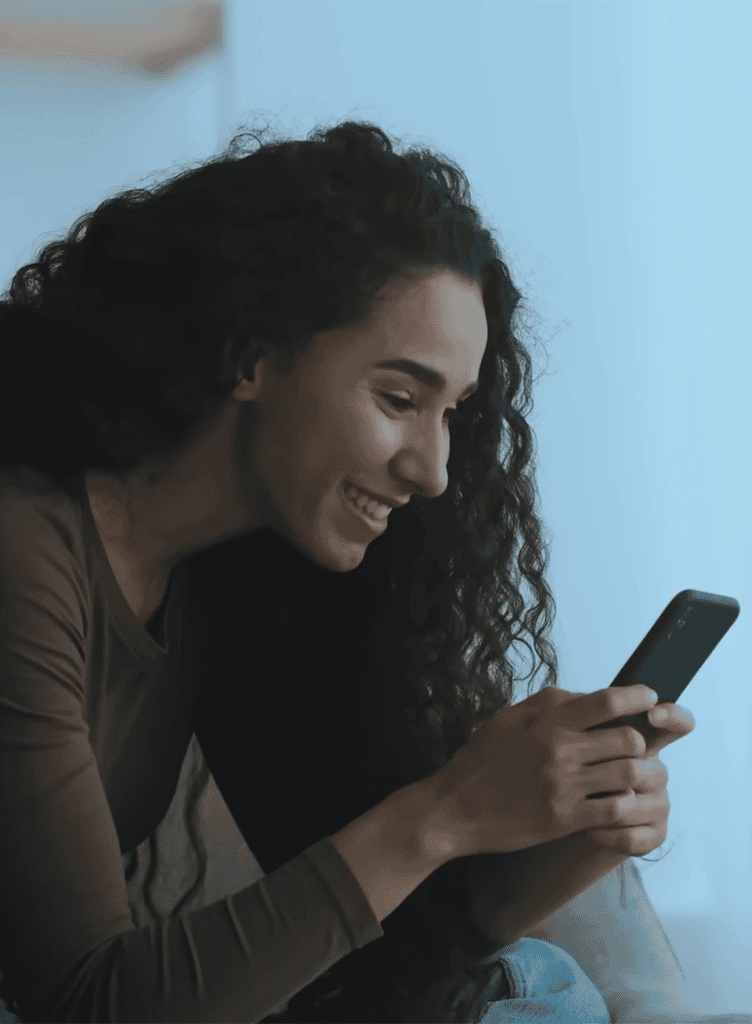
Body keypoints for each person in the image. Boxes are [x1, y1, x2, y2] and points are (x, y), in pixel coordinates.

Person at [0, 117, 700, 1024]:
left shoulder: (224, 573)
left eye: (452, 413)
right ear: (249, 353)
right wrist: (443, 809)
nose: (436, 470)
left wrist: (576, 834)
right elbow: (96, 1005)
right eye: (399, 399)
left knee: (536, 984)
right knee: (541, 999)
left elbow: (382, 952)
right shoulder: (27, 552)